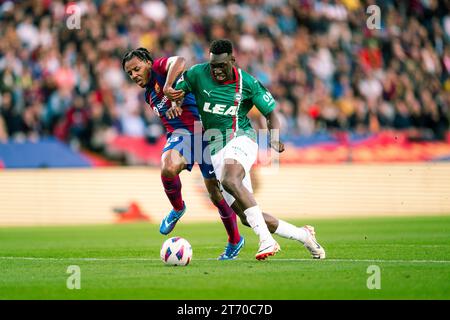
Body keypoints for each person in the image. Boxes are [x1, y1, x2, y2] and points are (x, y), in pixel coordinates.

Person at [167, 39, 325, 260]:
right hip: (216, 148)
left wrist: (274, 137)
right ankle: (304, 235)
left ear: (232, 60)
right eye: (213, 66)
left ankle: (266, 242)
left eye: (222, 65)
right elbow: (177, 92)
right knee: (246, 216)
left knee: (230, 181)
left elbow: (270, 113)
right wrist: (175, 103)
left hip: (242, 138)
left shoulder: (248, 83)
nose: (217, 71)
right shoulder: (196, 74)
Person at [122, 48, 244, 260]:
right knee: (168, 167)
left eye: (136, 68)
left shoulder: (161, 70)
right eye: (129, 73)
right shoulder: (148, 95)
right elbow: (174, 106)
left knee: (216, 194)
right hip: (182, 135)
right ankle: (178, 208)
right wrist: (174, 105)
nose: (133, 75)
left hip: (205, 133)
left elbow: (179, 60)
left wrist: (169, 88)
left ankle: (235, 240)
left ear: (148, 62)